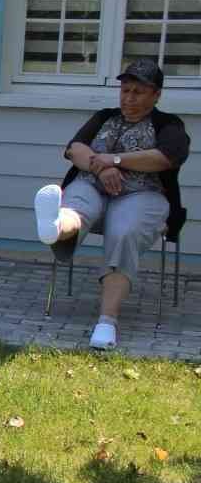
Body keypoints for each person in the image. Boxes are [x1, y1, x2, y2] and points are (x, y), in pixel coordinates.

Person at [31, 59, 188, 351]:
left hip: (143, 195)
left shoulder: (168, 124)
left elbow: (166, 157)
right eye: (125, 90)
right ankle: (54, 226)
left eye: (138, 92)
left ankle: (106, 321)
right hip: (92, 185)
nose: (128, 98)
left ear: (156, 95)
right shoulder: (104, 116)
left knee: (124, 231)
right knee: (78, 207)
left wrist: (115, 160)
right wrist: (100, 168)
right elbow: (74, 148)